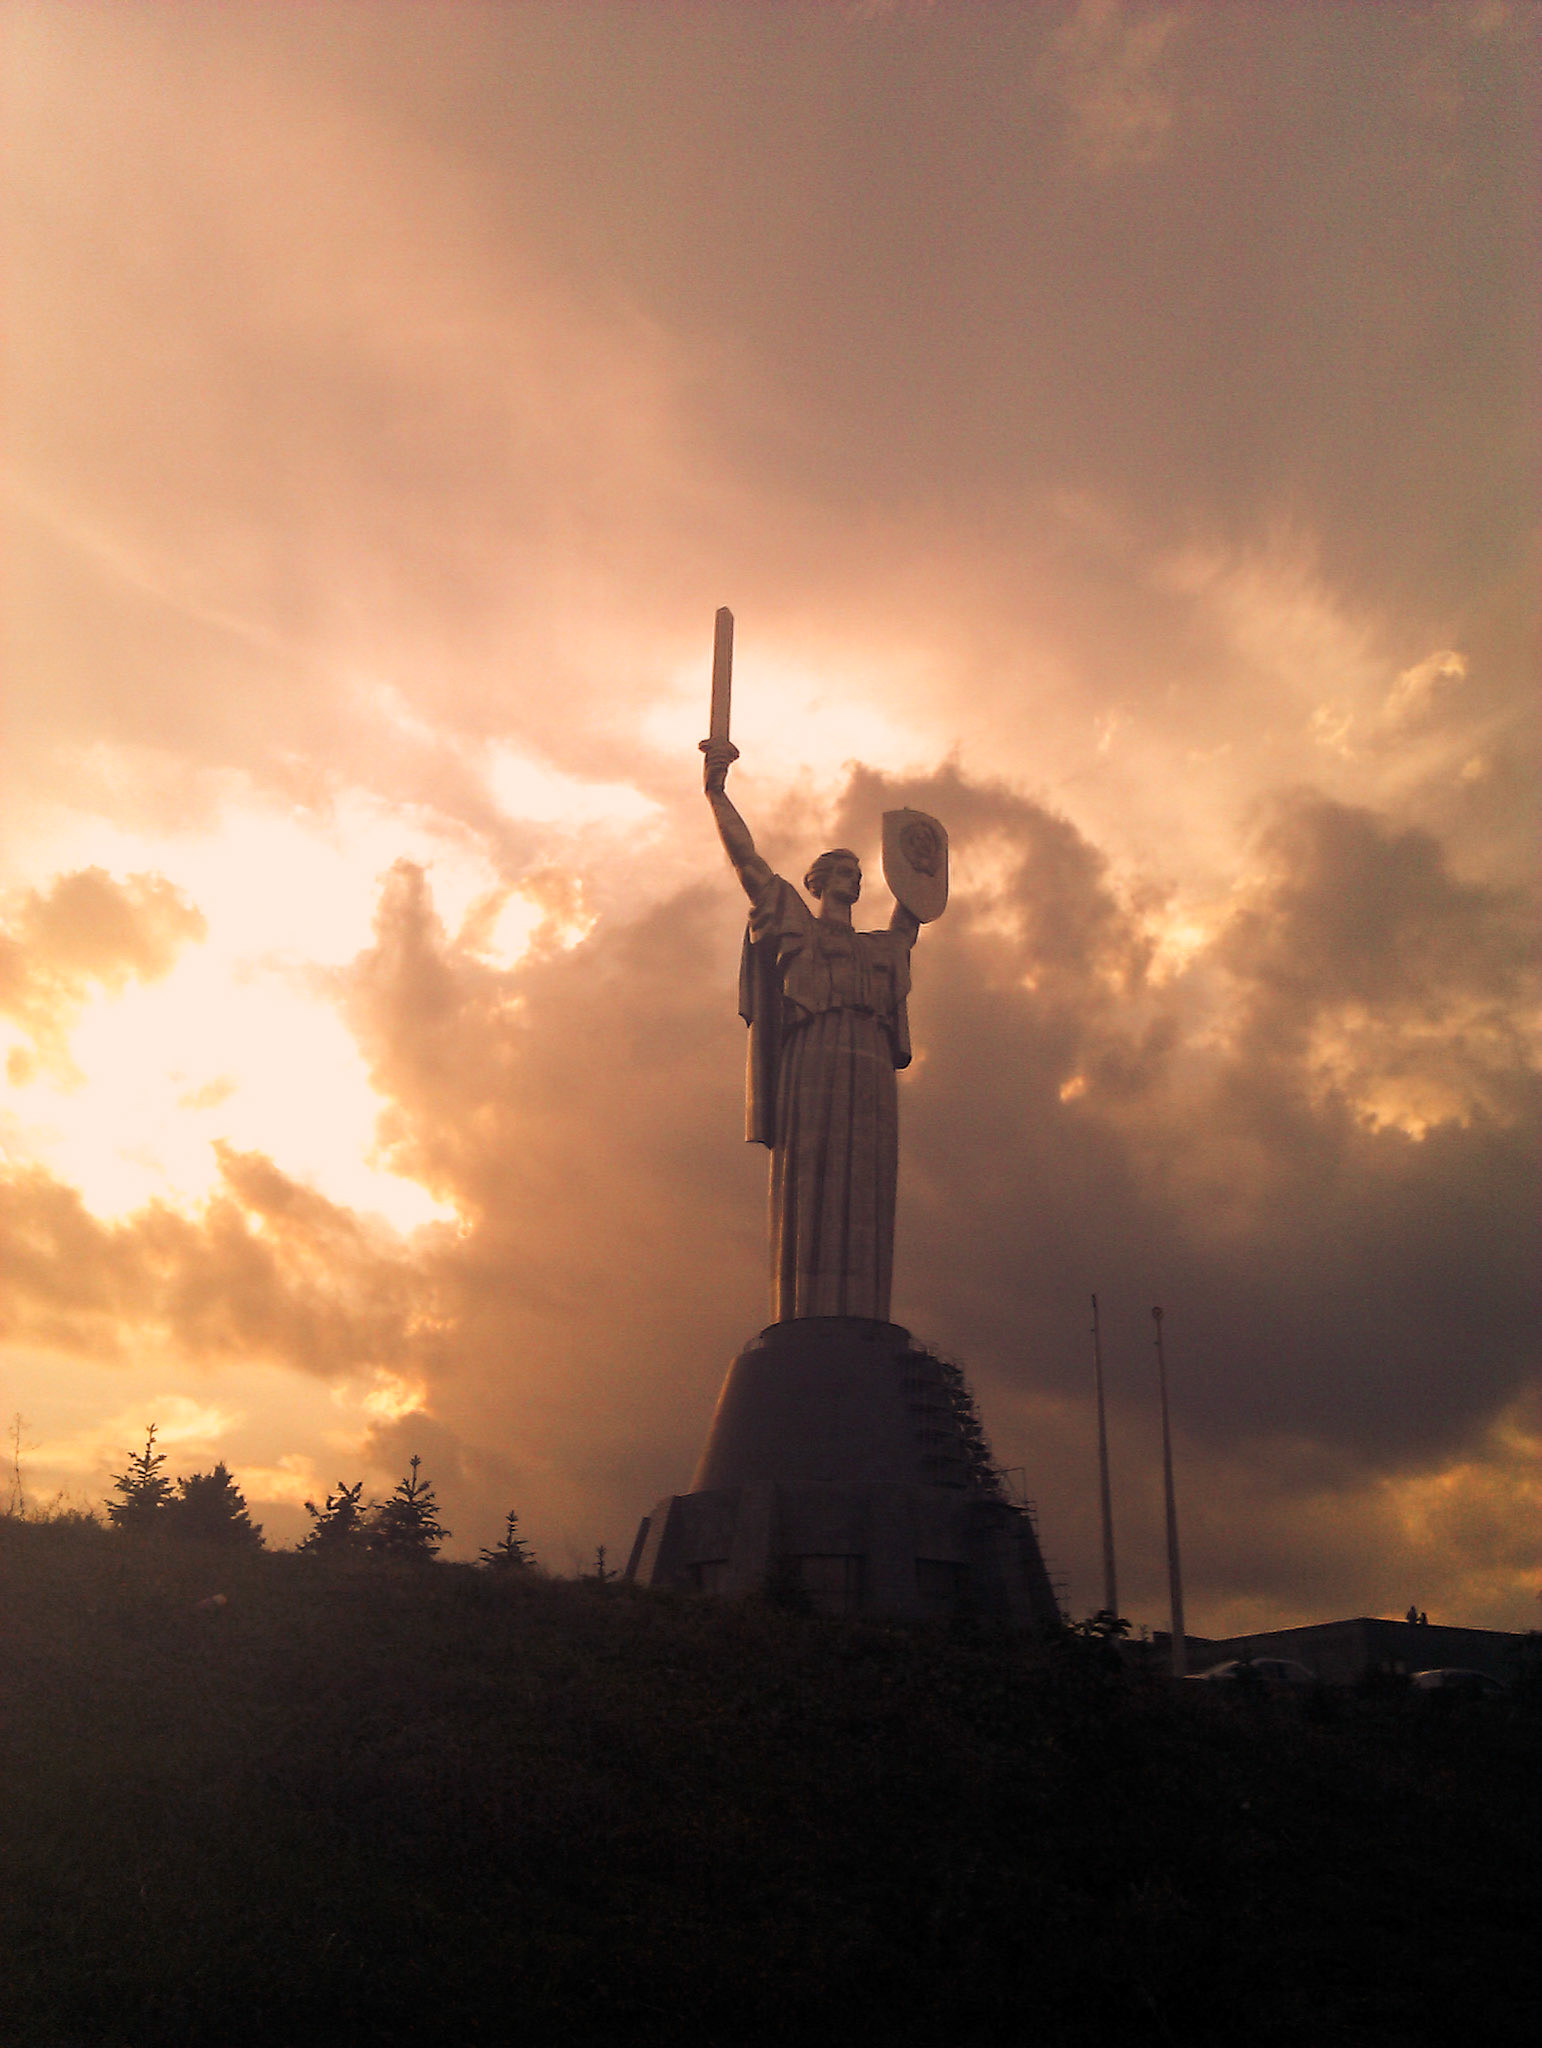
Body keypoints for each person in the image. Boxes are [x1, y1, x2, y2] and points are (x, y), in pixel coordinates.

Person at [703, 736, 920, 1322]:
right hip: (814, 1058)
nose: (854, 878)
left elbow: (915, 910)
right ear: (818, 881)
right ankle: (805, 1315)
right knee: (812, 1174)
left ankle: (864, 1314)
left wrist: (921, 862)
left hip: (869, 1067)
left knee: (868, 1182)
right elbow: (747, 861)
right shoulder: (794, 922)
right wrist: (717, 793)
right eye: (843, 871)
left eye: (858, 873)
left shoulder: (880, 950)